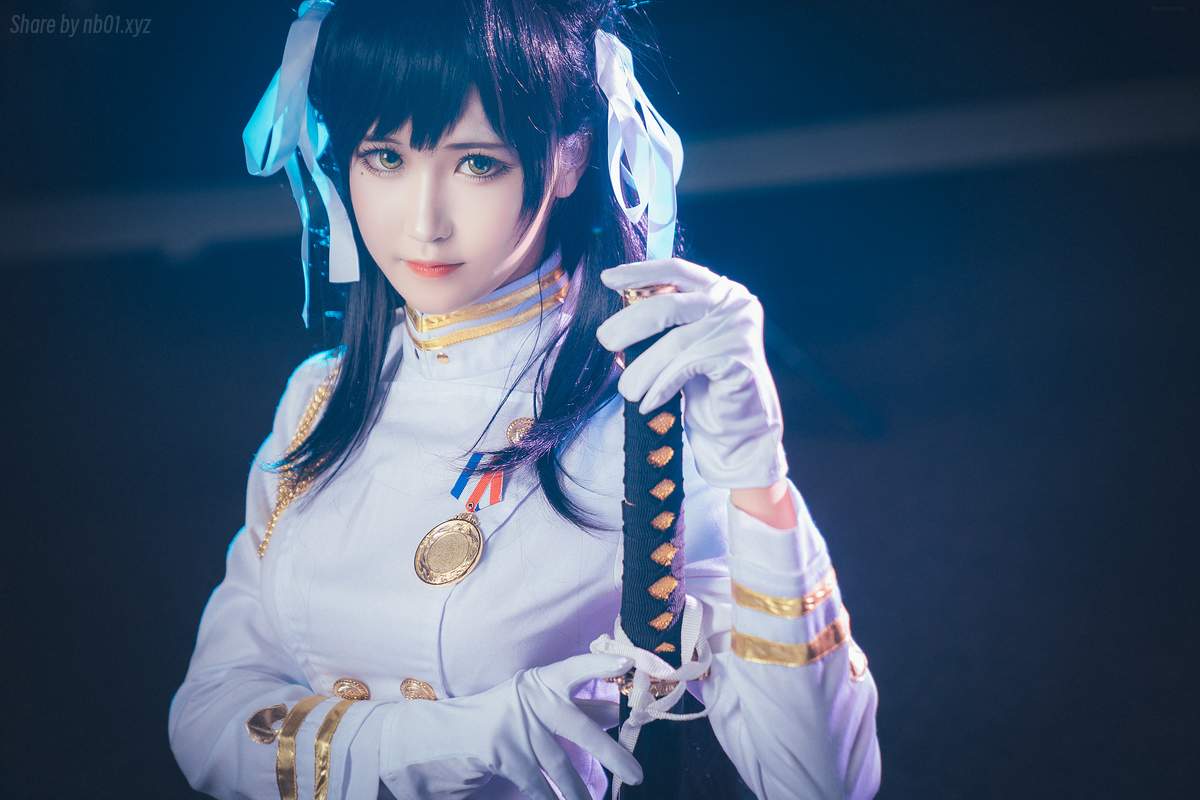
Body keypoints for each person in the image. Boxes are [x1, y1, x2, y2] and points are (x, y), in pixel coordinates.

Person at [167, 1, 881, 799]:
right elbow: (208, 718)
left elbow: (823, 784)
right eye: (385, 157)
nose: (424, 224)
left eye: (477, 163)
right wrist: (452, 740)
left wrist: (759, 481)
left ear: (571, 158)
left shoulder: (649, 421)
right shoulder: (318, 398)